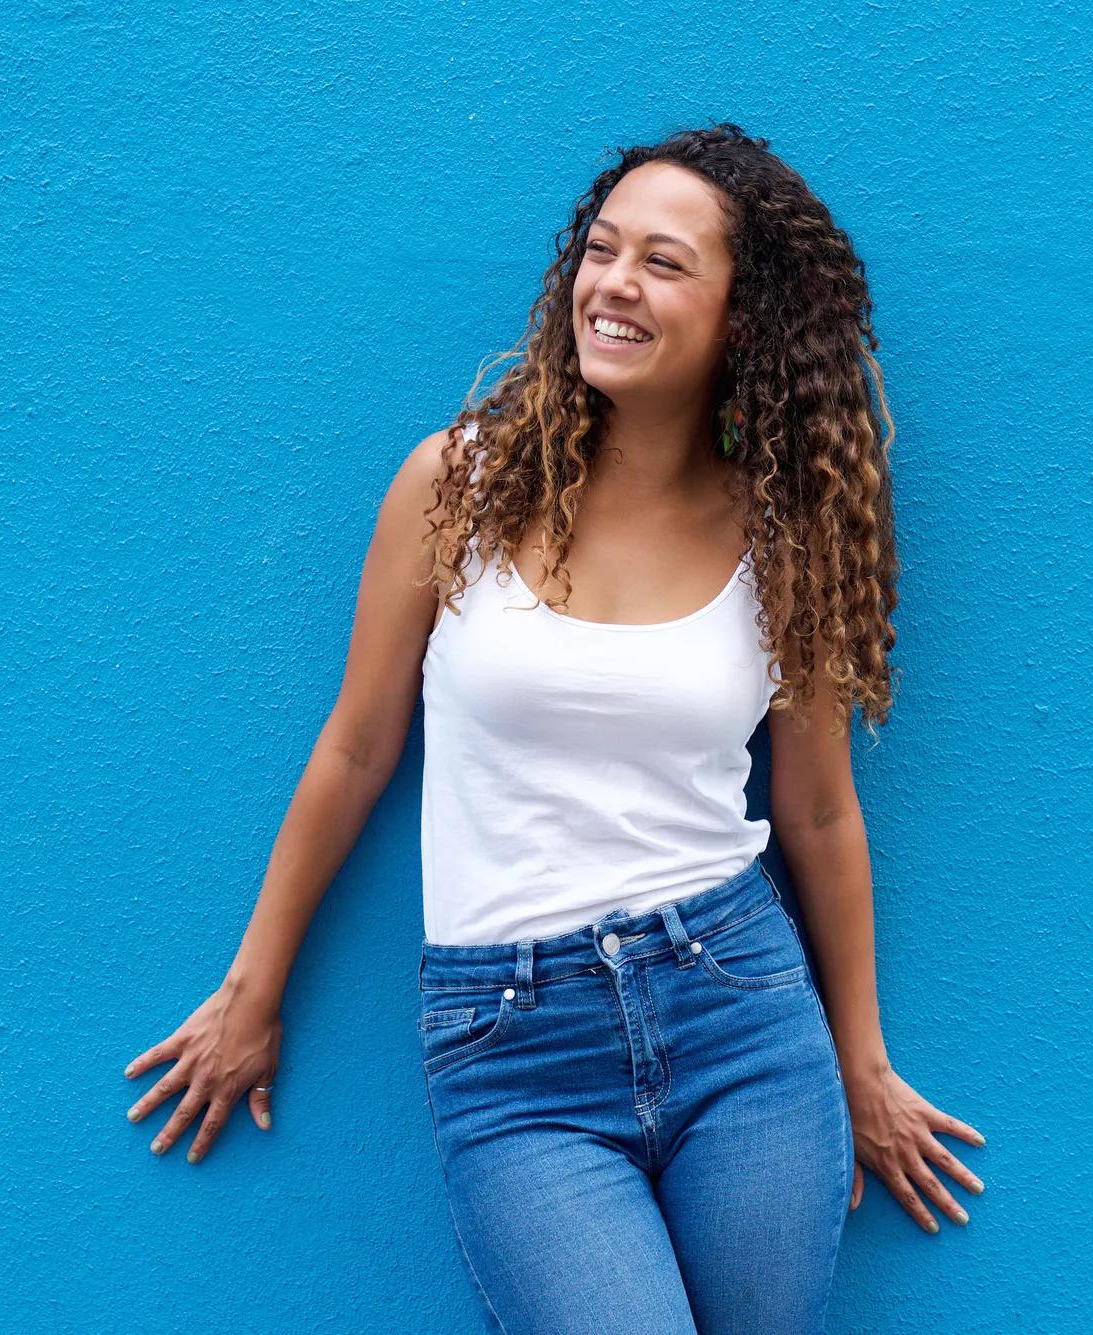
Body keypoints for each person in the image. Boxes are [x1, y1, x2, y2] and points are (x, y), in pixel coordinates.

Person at [122, 123, 985, 1333]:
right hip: (511, 1047)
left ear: (744, 318)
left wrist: (861, 1059)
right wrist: (249, 991)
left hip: (737, 1010)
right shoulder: (455, 485)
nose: (613, 284)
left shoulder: (785, 535)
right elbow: (358, 747)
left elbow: (817, 810)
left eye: (663, 262)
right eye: (599, 250)